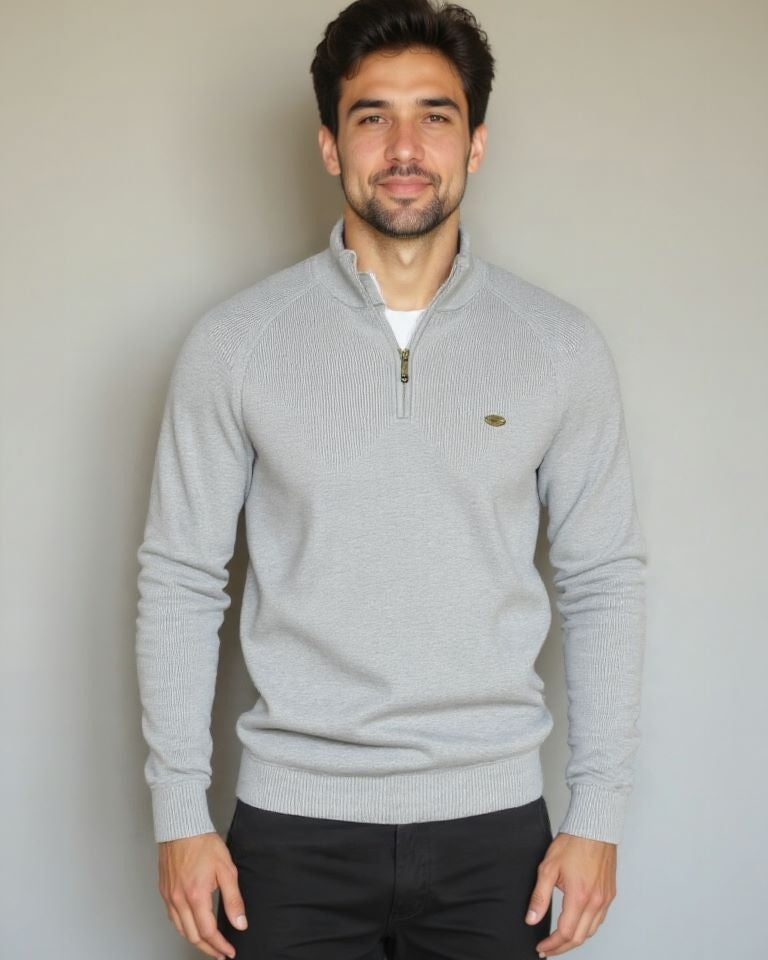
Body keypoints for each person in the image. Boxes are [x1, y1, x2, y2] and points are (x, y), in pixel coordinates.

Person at [135, 1, 648, 958]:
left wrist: (599, 813)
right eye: (373, 116)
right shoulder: (236, 344)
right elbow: (180, 577)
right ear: (331, 145)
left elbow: (603, 579)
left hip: (497, 833)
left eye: (435, 116)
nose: (405, 147)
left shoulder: (558, 347)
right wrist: (178, 812)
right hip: (288, 834)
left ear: (476, 143)